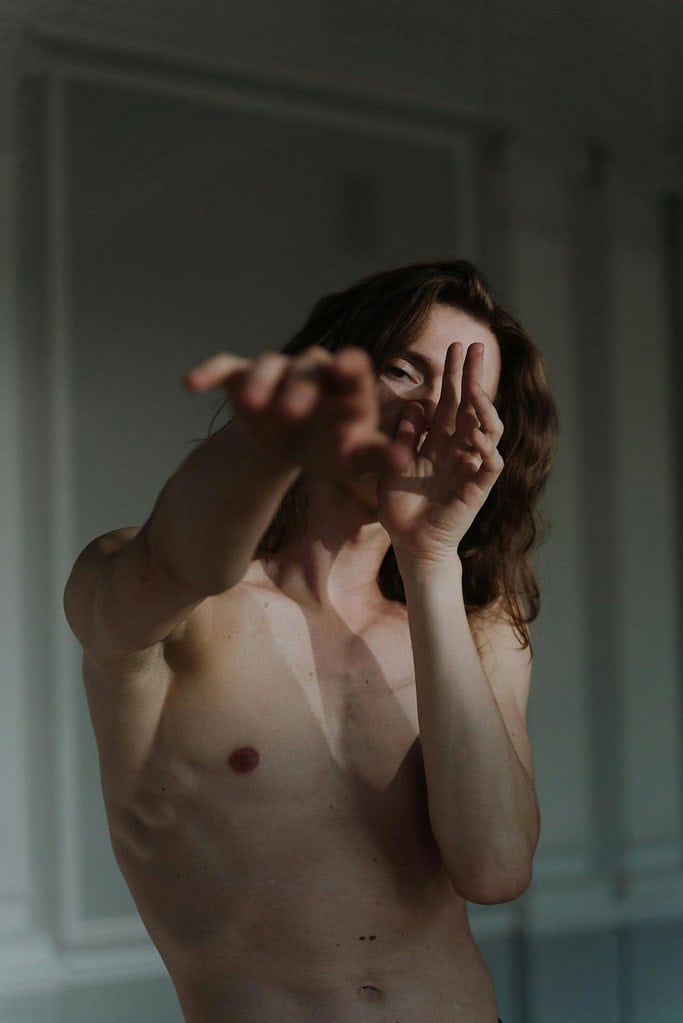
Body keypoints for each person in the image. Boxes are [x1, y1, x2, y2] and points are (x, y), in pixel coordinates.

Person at [63, 260, 559, 1023]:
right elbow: (178, 560)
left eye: (462, 396)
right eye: (403, 370)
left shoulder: (478, 625)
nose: (427, 410)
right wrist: (273, 440)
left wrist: (428, 560)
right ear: (333, 369)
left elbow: (493, 867)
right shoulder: (170, 604)